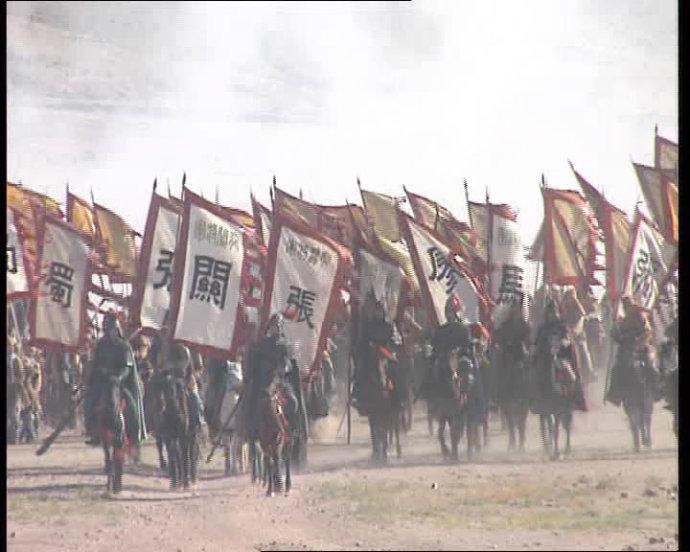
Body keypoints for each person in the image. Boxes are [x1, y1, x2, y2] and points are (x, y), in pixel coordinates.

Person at [83, 312, 146, 447]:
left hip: (121, 383)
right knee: (90, 401)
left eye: (112, 329)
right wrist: (96, 376)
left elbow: (127, 367)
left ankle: (134, 433)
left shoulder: (124, 346)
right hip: (103, 381)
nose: (110, 332)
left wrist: (118, 377)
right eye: (107, 329)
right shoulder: (101, 345)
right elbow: (96, 364)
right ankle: (93, 431)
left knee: (131, 404)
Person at [246, 313, 299, 437]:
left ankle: (292, 430)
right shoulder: (263, 344)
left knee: (293, 402)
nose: (276, 328)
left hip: (280, 382)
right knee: (249, 403)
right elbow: (254, 362)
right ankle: (251, 432)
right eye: (274, 326)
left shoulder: (286, 345)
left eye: (278, 326)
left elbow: (287, 364)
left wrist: (279, 373)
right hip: (262, 382)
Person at [605, 296, 656, 406]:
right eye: (626, 305)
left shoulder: (641, 317)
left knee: (651, 368)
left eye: (629, 305)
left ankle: (656, 391)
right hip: (626, 350)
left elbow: (648, 333)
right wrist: (614, 334)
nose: (628, 307)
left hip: (642, 349)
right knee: (617, 369)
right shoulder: (624, 321)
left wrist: (639, 343)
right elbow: (619, 338)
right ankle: (615, 395)